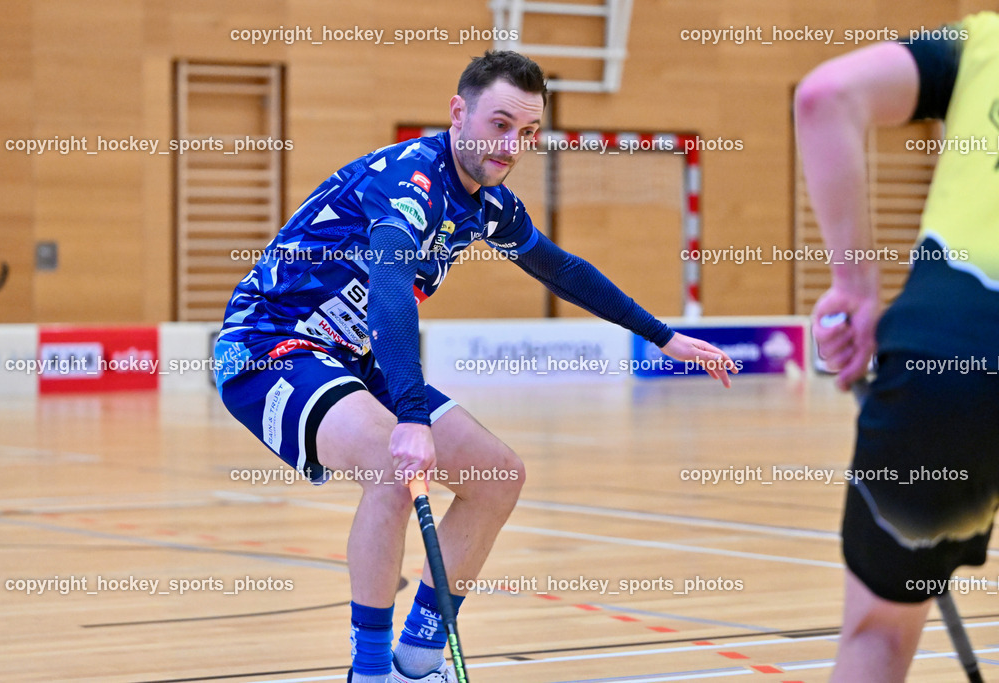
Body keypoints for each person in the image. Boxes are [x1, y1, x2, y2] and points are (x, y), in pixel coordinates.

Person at [214, 50, 737, 683]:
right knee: (392, 466)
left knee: (498, 476)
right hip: (271, 345)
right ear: (458, 113)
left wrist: (662, 336)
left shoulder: (488, 203)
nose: (511, 145)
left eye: (527, 132)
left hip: (353, 352)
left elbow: (560, 270)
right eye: (499, 124)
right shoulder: (411, 180)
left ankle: (419, 660)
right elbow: (388, 291)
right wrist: (410, 416)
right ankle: (371, 672)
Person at [796, 12, 999, 682]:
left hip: (952, 348)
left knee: (878, 635)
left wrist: (856, 287)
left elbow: (825, 96)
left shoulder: (981, 41)